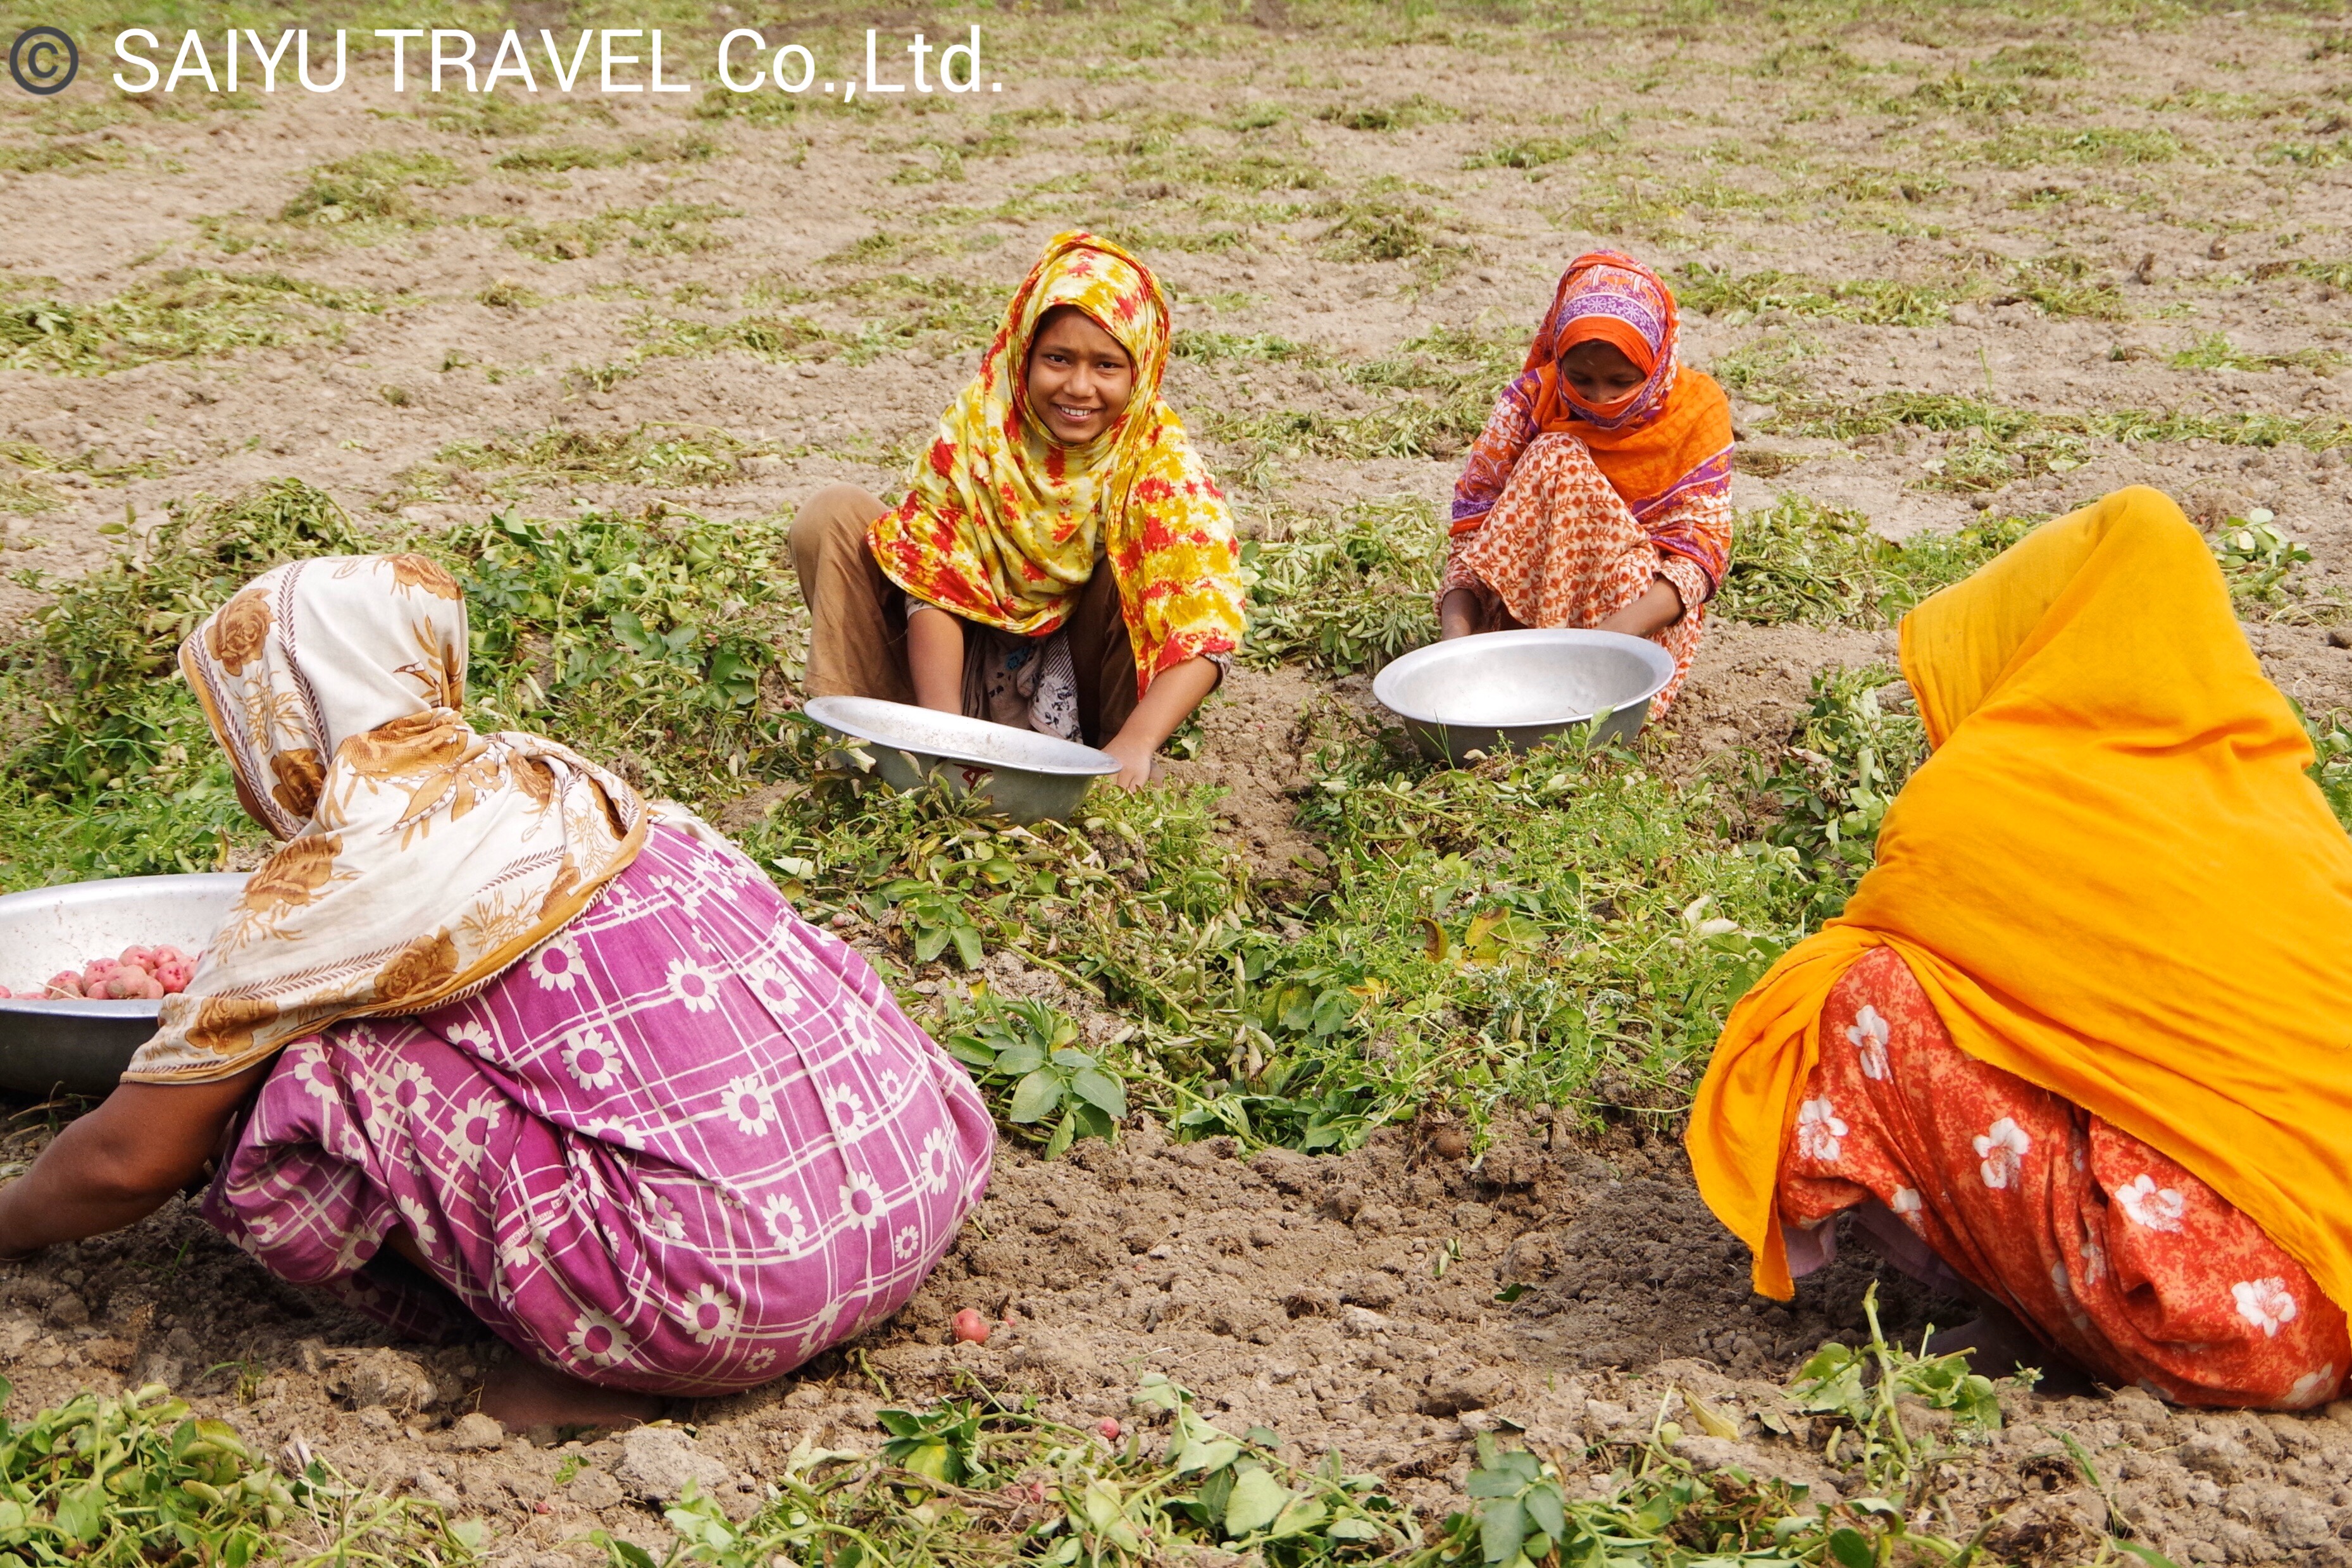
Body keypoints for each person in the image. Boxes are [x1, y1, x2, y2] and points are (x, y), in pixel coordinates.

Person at [0, 554, 993, 1426]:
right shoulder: (558, 781)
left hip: (728, 1296)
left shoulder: (345, 880)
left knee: (321, 1072)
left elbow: (132, 1160)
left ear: (292, 715)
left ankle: (583, 1358)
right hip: (908, 1191)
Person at [1688, 487, 2352, 1409]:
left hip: (2208, 1329)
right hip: (2331, 1313)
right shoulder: (2281, 801)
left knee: (1851, 996)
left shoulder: (1994, 794)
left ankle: (2031, 1318)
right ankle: (2046, 1293)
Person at [791, 231, 1246, 789]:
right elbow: (935, 583)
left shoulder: (1156, 462)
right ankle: (882, 746)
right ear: (1023, 352)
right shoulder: (981, 430)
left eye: (1107, 367)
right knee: (832, 514)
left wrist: (1135, 744)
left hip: (1085, 698)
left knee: (1140, 568)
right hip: (943, 677)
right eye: (1057, 359)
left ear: (1141, 371)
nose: (1079, 387)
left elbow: (1205, 623)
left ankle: (1093, 758)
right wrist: (942, 743)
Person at [1438, 250, 1734, 714]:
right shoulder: (1531, 401)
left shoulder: (1696, 409)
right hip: (1517, 633)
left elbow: (1699, 555)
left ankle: (1587, 688)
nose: (1601, 401)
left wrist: (1594, 646)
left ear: (1655, 362)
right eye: (1580, 380)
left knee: (1567, 467)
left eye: (1621, 381)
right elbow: (1473, 534)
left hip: (1630, 626)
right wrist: (1454, 646)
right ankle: (1523, 664)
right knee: (1555, 455)